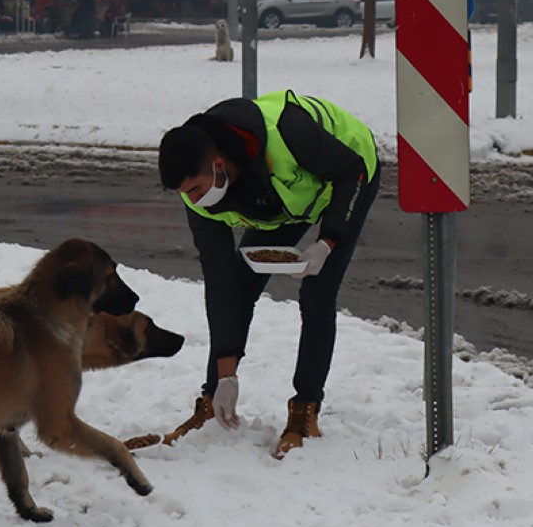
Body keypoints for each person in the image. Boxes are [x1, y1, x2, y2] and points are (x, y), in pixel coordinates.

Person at [155, 90, 379, 459]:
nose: (192, 200)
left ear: (219, 165)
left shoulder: (289, 133)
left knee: (317, 293)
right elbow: (220, 279)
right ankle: (211, 402)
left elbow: (350, 172)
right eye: (184, 193)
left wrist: (328, 241)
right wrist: (226, 375)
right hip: (280, 201)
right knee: (239, 286)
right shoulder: (195, 191)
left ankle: (305, 412)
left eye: (195, 189)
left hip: (348, 174)